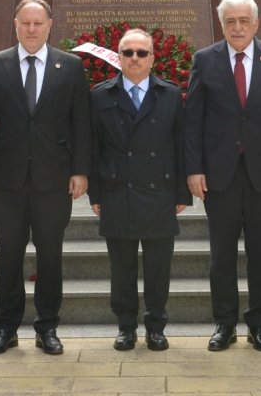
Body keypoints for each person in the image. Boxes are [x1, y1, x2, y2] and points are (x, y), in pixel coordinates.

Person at [0, 0, 92, 356]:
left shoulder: (69, 66)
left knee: (50, 255)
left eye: (38, 23)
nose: (32, 29)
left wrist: (80, 171)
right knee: (8, 254)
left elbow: (81, 124)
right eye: (25, 23)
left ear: (50, 25)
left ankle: (47, 327)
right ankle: (6, 327)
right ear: (15, 24)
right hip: (7, 181)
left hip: (54, 180)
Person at [184, 0, 261, 353]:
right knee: (222, 254)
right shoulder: (205, 59)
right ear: (222, 24)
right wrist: (194, 169)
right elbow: (193, 120)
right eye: (230, 21)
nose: (237, 27)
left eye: (243, 21)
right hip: (220, 175)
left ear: (256, 24)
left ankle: (259, 323)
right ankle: (225, 323)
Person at [88, 27, 191, 352]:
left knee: (159, 268)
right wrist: (95, 193)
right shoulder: (100, 95)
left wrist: (180, 193)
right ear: (118, 57)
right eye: (128, 52)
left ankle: (156, 327)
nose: (134, 58)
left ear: (152, 58)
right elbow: (92, 148)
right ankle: (126, 327)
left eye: (141, 53)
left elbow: (181, 145)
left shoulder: (171, 94)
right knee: (122, 269)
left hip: (158, 191)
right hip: (118, 190)